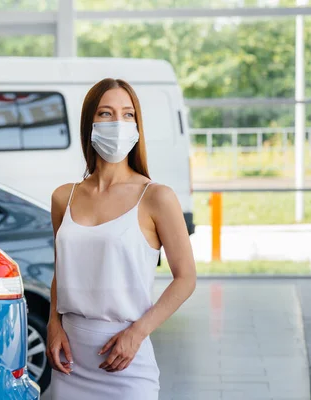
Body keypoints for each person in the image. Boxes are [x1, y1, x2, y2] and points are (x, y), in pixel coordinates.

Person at [47, 78, 197, 399]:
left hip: (125, 361)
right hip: (70, 362)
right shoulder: (64, 197)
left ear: (137, 125)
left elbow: (186, 278)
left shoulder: (156, 197)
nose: (118, 122)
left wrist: (137, 333)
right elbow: (62, 271)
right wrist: (53, 324)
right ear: (89, 123)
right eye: (106, 113)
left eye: (128, 114)